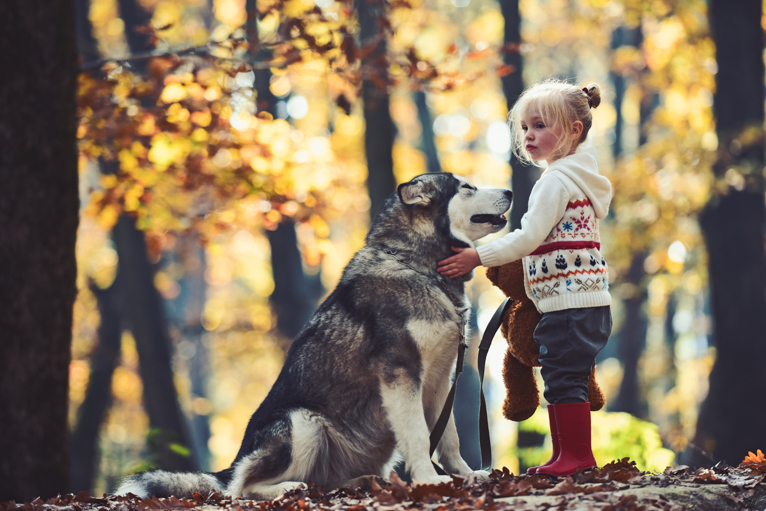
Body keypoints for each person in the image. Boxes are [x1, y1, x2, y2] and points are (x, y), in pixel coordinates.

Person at [437, 79, 613, 477]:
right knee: (561, 376)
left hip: (570, 304)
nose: (530, 135)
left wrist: (478, 255)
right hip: (583, 300)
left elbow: (529, 237)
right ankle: (565, 455)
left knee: (564, 379)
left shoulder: (556, 181)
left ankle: (577, 458)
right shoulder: (578, 177)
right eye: (525, 128)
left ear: (574, 130)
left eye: (541, 126)